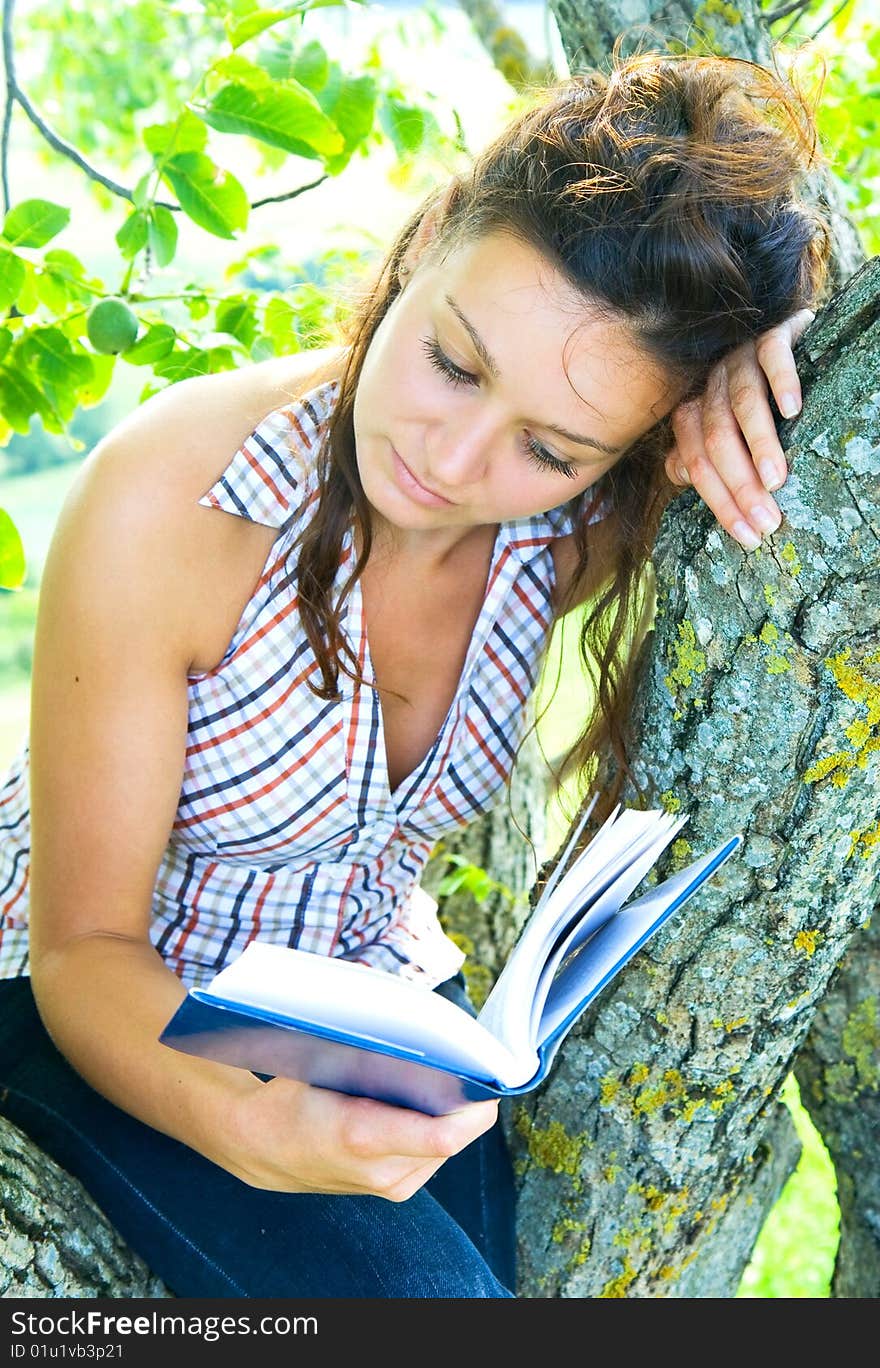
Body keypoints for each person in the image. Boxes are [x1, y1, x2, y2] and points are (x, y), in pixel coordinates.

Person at [0, 48, 830, 1298]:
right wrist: (245, 1126)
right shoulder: (172, 500)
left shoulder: (581, 531)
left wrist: (783, 368)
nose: (452, 460)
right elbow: (85, 949)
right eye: (452, 361)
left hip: (367, 1008)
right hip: (99, 1000)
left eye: (547, 447)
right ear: (433, 233)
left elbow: (802, 409)